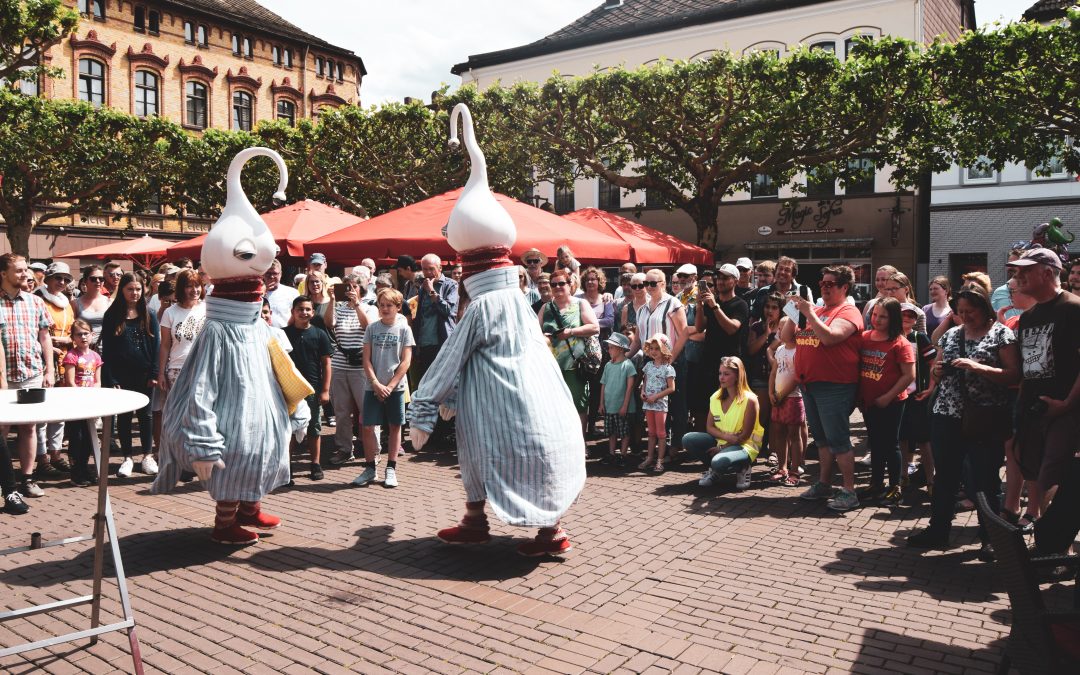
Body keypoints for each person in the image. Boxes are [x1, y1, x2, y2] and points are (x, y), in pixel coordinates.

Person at [907, 285, 1019, 559]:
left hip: (985, 416)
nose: (966, 317)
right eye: (961, 312)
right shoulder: (952, 335)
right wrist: (938, 370)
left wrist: (978, 367)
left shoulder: (1001, 333)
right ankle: (939, 529)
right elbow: (936, 369)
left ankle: (990, 537)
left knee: (985, 479)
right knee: (945, 476)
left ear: (985, 310)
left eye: (971, 311)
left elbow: (1014, 375)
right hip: (947, 414)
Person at [1010, 247, 1080, 533]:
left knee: (1053, 476)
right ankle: (1049, 540)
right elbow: (1028, 367)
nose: (1018, 276)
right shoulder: (1028, 317)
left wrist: (1066, 404)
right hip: (1032, 412)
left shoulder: (1073, 309)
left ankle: (1055, 545)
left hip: (1064, 412)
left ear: (1047, 273)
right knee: (1035, 472)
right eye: (1017, 271)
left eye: (1025, 271)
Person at [795, 265, 864, 512]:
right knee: (822, 440)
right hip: (810, 384)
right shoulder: (818, 309)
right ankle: (824, 483)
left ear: (844, 287)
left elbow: (830, 337)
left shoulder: (849, 311)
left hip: (834, 385)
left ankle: (849, 490)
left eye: (829, 284)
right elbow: (789, 337)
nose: (823, 287)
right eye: (821, 283)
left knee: (839, 439)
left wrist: (808, 313)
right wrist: (792, 313)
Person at [0, 253, 54, 499]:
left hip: (31, 371)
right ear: (3, 274)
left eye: (26, 270)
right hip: (2, 375)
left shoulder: (35, 302)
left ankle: (27, 478)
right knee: (1, 429)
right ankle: (4, 480)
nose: (26, 274)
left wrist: (50, 370)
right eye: (20, 270)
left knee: (29, 428)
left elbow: (45, 337)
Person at [856, 297, 915, 506]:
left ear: (893, 318)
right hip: (869, 402)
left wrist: (887, 397)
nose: (877, 319)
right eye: (875, 314)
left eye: (883, 316)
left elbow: (909, 376)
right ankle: (876, 483)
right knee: (876, 443)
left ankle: (895, 486)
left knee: (891, 444)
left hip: (893, 402)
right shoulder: (864, 338)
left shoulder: (900, 342)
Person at [101, 273, 160, 478]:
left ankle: (146, 455)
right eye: (130, 289)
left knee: (146, 415)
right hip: (121, 374)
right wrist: (112, 379)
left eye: (138, 289)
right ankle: (127, 457)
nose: (134, 293)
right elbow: (106, 350)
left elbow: (156, 346)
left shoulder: (149, 314)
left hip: (144, 374)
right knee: (124, 416)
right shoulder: (112, 315)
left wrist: (154, 372)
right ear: (122, 290)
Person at [354, 288, 414, 487]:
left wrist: (390, 385)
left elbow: (406, 361)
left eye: (390, 305)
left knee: (395, 426)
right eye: (382, 305)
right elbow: (366, 360)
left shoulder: (404, 329)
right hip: (373, 387)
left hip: (395, 388)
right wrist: (376, 384)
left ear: (398, 307)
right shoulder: (372, 329)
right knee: (368, 426)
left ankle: (391, 467)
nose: (385, 309)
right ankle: (370, 468)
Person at [630, 269, 690, 457]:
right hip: (650, 361)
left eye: (653, 283)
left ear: (663, 284)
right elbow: (639, 340)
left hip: (672, 361)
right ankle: (658, 447)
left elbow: (684, 333)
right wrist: (626, 356)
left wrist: (670, 358)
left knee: (675, 404)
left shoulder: (673, 303)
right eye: (646, 283)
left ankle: (675, 446)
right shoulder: (641, 308)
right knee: (653, 404)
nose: (648, 287)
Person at [683, 355, 764, 489]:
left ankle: (743, 467)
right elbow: (709, 427)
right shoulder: (715, 397)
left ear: (738, 376)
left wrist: (721, 448)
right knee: (688, 439)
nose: (721, 377)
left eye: (726, 374)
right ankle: (716, 470)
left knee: (718, 461)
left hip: (746, 446)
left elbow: (744, 436)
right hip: (724, 442)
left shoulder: (750, 400)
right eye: (720, 373)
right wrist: (725, 439)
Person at [324, 273, 378, 465]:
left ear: (361, 289)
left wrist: (356, 305)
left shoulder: (370, 308)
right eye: (346, 287)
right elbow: (329, 324)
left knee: (368, 409)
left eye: (353, 286)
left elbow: (369, 328)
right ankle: (345, 449)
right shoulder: (338, 308)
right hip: (340, 363)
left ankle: (374, 450)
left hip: (361, 366)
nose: (349, 290)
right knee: (341, 410)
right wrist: (331, 300)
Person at [540, 269, 600, 430]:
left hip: (574, 366)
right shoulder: (546, 308)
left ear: (570, 284)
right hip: (551, 367)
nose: (557, 287)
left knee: (578, 405)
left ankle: (581, 445)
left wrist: (571, 332)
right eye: (554, 284)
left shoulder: (580, 304)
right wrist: (545, 337)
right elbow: (535, 334)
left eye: (561, 283)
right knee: (553, 406)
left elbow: (595, 327)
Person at [155, 269, 206, 456]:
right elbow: (165, 345)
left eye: (197, 285)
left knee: (200, 415)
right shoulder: (170, 312)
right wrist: (161, 372)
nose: (194, 290)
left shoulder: (207, 309)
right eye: (189, 286)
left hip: (203, 369)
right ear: (182, 289)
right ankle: (179, 457)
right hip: (177, 369)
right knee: (179, 416)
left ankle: (197, 457)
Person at [284, 296, 333, 481]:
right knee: (288, 429)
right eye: (300, 309)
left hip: (312, 389)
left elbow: (327, 364)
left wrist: (325, 390)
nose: (303, 313)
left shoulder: (319, 334)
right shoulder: (284, 334)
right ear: (293, 312)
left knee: (314, 428)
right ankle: (286, 468)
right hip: (289, 390)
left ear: (312, 312)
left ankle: (315, 464)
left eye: (307, 309)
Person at [33, 262, 75, 479]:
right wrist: (55, 341)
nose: (62, 282)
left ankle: (56, 453)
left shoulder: (67, 302)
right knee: (42, 412)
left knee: (59, 412)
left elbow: (73, 328)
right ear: (47, 278)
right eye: (57, 277)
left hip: (64, 360)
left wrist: (69, 340)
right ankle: (41, 457)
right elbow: (38, 332)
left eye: (66, 279)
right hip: (43, 360)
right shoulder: (38, 299)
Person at [899, 302, 936, 498]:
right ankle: (903, 475)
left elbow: (933, 363)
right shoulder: (892, 337)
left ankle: (931, 479)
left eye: (911, 316)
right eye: (903, 315)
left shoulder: (919, 337)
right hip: (898, 396)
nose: (907, 319)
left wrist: (930, 387)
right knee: (902, 438)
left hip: (917, 396)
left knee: (924, 440)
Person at [63, 320, 103, 487]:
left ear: (92, 335)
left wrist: (93, 395)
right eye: (79, 334)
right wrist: (81, 396)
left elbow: (98, 381)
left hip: (90, 404)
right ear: (73, 338)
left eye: (86, 333)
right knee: (76, 437)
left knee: (88, 436)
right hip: (75, 404)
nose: (83, 337)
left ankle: (85, 467)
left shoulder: (95, 356)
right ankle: (76, 471)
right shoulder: (72, 356)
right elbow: (70, 381)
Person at [768, 318, 804, 487]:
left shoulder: (799, 351)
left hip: (793, 398)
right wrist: (770, 392)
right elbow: (774, 372)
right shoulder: (780, 350)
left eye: (782, 328)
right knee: (779, 434)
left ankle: (795, 470)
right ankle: (782, 467)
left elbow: (797, 378)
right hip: (778, 398)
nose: (778, 332)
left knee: (794, 436)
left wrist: (781, 394)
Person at [579, 266, 614, 436]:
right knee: (579, 389)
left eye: (594, 279)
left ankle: (592, 425)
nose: (591, 282)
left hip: (600, 352)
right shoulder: (578, 299)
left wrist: (587, 325)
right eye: (587, 279)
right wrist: (592, 325)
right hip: (579, 351)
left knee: (595, 390)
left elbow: (609, 322)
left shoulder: (606, 300)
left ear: (599, 281)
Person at [746, 291, 780, 458]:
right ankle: (754, 448)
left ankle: (774, 452)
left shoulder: (785, 327)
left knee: (776, 418)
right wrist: (765, 334)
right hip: (760, 377)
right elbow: (751, 349)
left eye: (774, 307)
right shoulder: (756, 327)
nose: (770, 310)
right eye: (767, 306)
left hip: (780, 379)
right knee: (760, 416)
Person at [639, 334, 676, 473]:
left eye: (657, 348)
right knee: (651, 432)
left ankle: (660, 460)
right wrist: (642, 392)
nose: (653, 351)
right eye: (652, 348)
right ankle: (649, 458)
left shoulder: (668, 368)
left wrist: (656, 397)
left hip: (660, 405)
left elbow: (671, 388)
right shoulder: (648, 365)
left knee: (661, 433)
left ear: (664, 350)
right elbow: (645, 382)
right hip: (648, 403)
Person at [598, 332, 637, 465]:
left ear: (620, 349)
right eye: (608, 347)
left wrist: (625, 406)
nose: (608, 350)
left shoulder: (628, 365)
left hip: (622, 407)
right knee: (611, 432)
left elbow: (630, 387)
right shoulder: (608, 365)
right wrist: (601, 404)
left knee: (624, 432)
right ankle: (611, 453)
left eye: (611, 347)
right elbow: (603, 384)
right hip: (610, 405)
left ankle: (623, 454)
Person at [751, 256, 813, 321]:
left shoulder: (802, 291)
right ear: (775, 272)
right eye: (780, 269)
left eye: (787, 270)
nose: (782, 272)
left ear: (793, 276)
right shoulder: (764, 291)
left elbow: (811, 315)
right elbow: (754, 318)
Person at [263, 259, 299, 328]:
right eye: (268, 273)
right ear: (263, 274)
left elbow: (297, 316)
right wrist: (263, 293)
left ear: (281, 274)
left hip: (285, 334)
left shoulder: (292, 293)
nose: (271, 276)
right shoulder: (257, 293)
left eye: (275, 273)